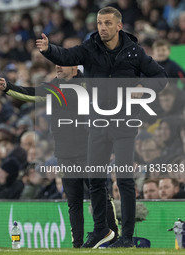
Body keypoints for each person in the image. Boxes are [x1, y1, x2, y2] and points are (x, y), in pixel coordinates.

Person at [36, 6, 167, 248]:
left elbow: (160, 77)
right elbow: (66, 57)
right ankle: (101, 230)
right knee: (96, 179)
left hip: (124, 124)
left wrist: (143, 91)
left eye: (107, 23)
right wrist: (49, 50)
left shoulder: (135, 53)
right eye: (99, 23)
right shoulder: (89, 48)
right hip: (97, 124)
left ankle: (126, 237)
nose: (102, 28)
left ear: (119, 26)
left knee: (125, 179)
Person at [0, 65, 118, 248]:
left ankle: (114, 236)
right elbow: (32, 93)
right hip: (65, 154)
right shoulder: (55, 86)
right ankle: (77, 245)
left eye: (62, 64)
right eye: (56, 64)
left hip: (90, 151)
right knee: (73, 201)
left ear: (74, 67)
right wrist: (8, 88)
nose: (57, 67)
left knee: (99, 195)